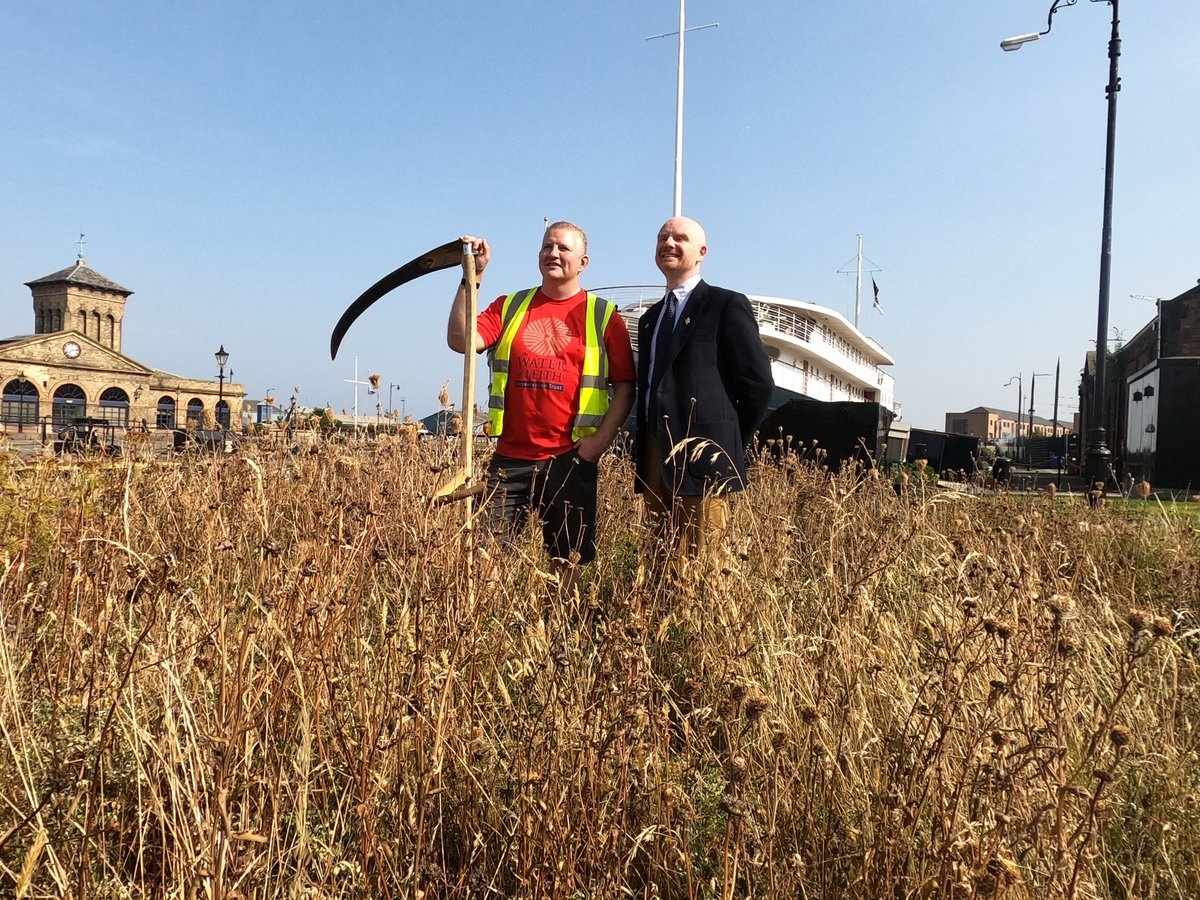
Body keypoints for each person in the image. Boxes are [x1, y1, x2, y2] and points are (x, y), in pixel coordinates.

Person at [447, 222, 635, 599]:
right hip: (509, 460)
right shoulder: (510, 306)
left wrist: (598, 443)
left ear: (583, 261)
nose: (553, 253)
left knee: (566, 563)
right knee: (486, 561)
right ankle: (484, 639)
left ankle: (562, 643)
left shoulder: (603, 316)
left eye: (564, 249)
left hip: (569, 459)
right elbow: (461, 340)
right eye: (548, 246)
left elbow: (625, 385)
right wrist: (473, 275)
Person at [635, 216, 774, 561]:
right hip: (654, 453)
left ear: (702, 252)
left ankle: (704, 618)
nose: (668, 243)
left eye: (679, 238)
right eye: (662, 237)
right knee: (659, 557)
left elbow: (758, 385)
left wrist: (723, 446)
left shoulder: (725, 305)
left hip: (704, 459)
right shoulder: (650, 319)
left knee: (706, 562)